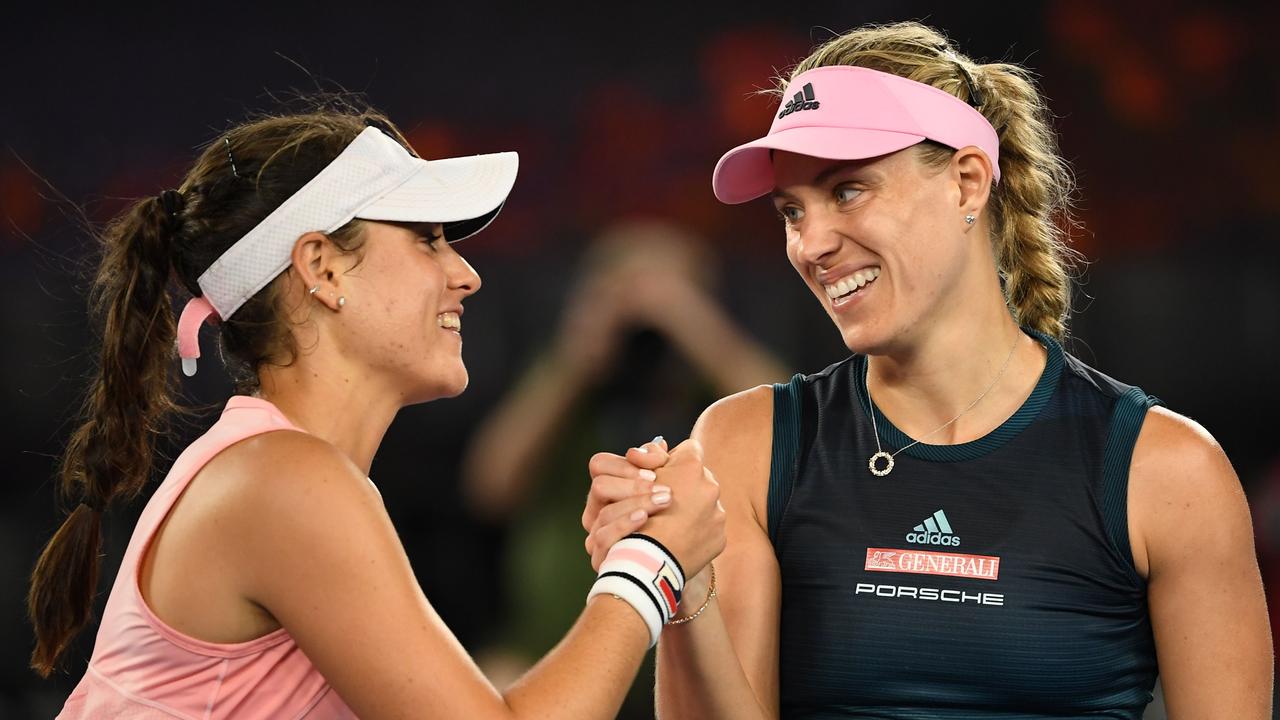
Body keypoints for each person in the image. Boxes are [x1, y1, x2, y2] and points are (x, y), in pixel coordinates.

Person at [582, 22, 1272, 718]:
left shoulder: (1169, 470)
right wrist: (682, 586)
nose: (812, 243)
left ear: (967, 182)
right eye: (792, 211)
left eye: (848, 191)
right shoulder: (743, 443)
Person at [28, 106, 725, 719]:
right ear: (323, 269)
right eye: (427, 238)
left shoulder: (282, 471)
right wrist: (650, 561)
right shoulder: (282, 481)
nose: (467, 274)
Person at [462, 219, 786, 713]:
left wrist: (696, 329)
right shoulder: (567, 386)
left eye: (670, 289)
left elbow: (801, 439)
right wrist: (575, 360)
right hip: (551, 645)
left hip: (697, 649)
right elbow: (490, 485)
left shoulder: (725, 397)